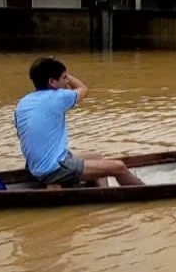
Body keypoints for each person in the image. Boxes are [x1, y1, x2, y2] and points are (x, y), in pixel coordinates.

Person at [14, 57, 144, 188]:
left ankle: (103, 191)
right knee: (119, 167)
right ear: (52, 82)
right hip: (54, 168)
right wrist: (66, 74)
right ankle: (145, 192)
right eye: (64, 78)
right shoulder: (59, 96)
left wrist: (58, 71)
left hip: (34, 167)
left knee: (97, 157)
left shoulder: (23, 102)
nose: (66, 82)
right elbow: (83, 89)